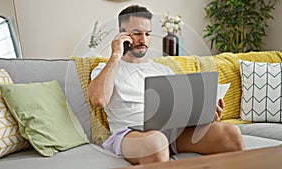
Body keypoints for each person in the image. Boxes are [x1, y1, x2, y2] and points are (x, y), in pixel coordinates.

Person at [87, 5, 244, 165]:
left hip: (172, 131)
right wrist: (115, 55)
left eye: (148, 34)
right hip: (131, 134)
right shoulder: (106, 69)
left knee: (231, 134)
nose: (143, 40)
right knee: (157, 143)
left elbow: (181, 110)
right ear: (122, 33)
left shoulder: (163, 70)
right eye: (137, 34)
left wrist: (206, 115)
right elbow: (98, 99)